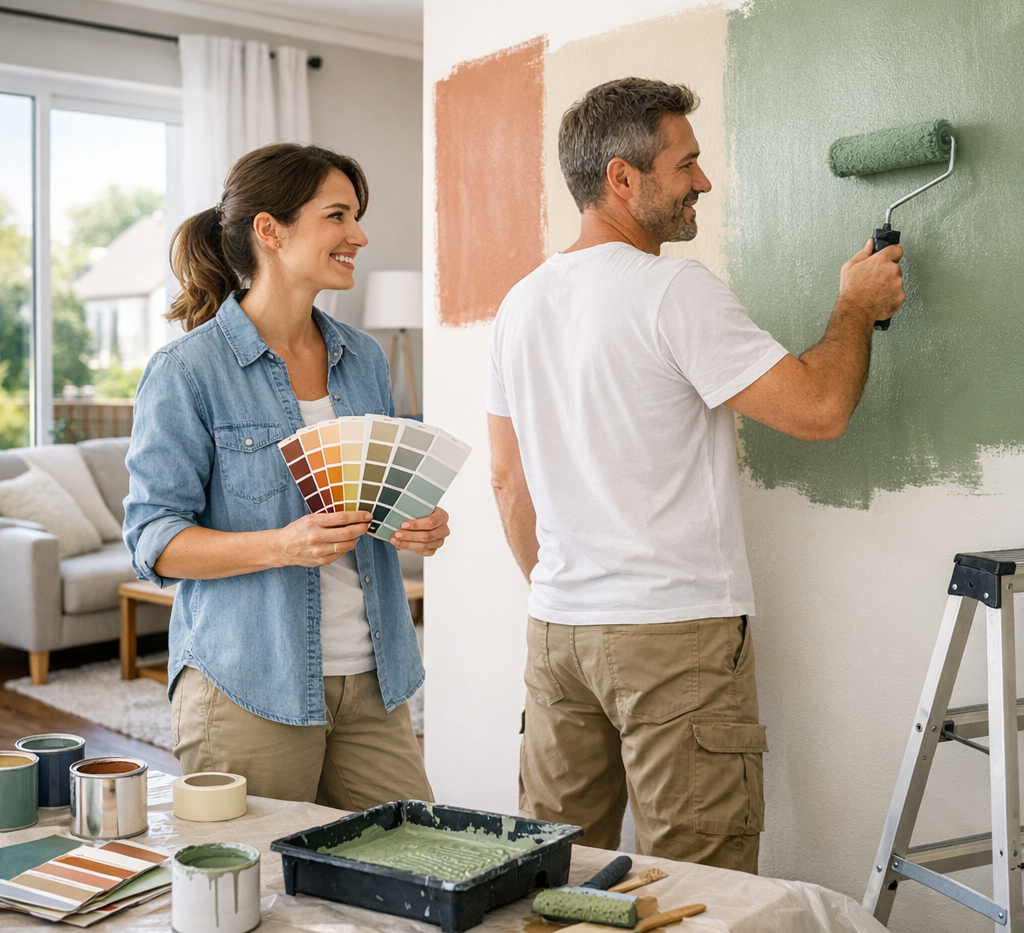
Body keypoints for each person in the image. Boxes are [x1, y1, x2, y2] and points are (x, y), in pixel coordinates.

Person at [486, 78, 904, 872]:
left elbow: (508, 484)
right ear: (622, 177)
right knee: (700, 886)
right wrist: (855, 308)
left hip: (557, 635)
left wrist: (568, 591)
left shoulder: (521, 304)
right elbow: (819, 410)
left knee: (553, 872)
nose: (702, 183)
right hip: (672, 635)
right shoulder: (672, 291)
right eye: (686, 164)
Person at [124, 143, 449, 809]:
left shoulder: (362, 359)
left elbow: (365, 504)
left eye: (355, 216)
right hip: (248, 686)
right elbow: (154, 542)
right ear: (270, 231)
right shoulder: (188, 370)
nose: (358, 236)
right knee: (254, 897)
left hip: (372, 679)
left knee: (411, 870)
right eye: (337, 216)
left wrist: (411, 521)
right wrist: (283, 544)